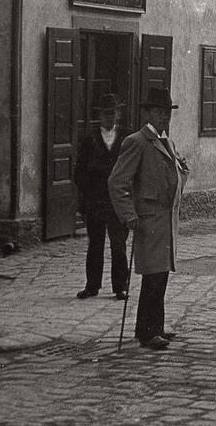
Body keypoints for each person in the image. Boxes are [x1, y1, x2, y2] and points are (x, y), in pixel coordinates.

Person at [109, 88, 189, 350]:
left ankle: (155, 326)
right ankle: (146, 332)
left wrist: (182, 171)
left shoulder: (167, 142)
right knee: (152, 276)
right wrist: (128, 215)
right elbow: (117, 182)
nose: (166, 117)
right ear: (149, 113)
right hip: (149, 220)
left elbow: (172, 181)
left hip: (166, 221)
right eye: (160, 112)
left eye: (168, 113)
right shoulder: (137, 141)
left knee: (161, 274)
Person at [74, 94, 130, 301]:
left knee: (119, 244)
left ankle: (120, 287)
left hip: (117, 202)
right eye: (105, 113)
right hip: (96, 201)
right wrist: (89, 194)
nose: (109, 117)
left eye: (113, 113)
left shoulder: (126, 137)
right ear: (99, 115)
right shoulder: (90, 139)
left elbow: (132, 168)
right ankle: (92, 286)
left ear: (118, 114)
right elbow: (79, 172)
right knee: (95, 244)